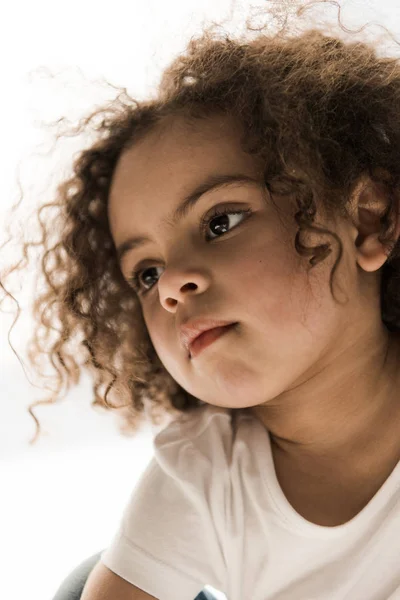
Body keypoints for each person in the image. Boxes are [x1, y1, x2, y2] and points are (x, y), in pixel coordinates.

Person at [2, 1, 400, 599]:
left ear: (368, 222)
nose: (169, 286)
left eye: (220, 222)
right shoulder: (201, 477)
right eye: (145, 272)